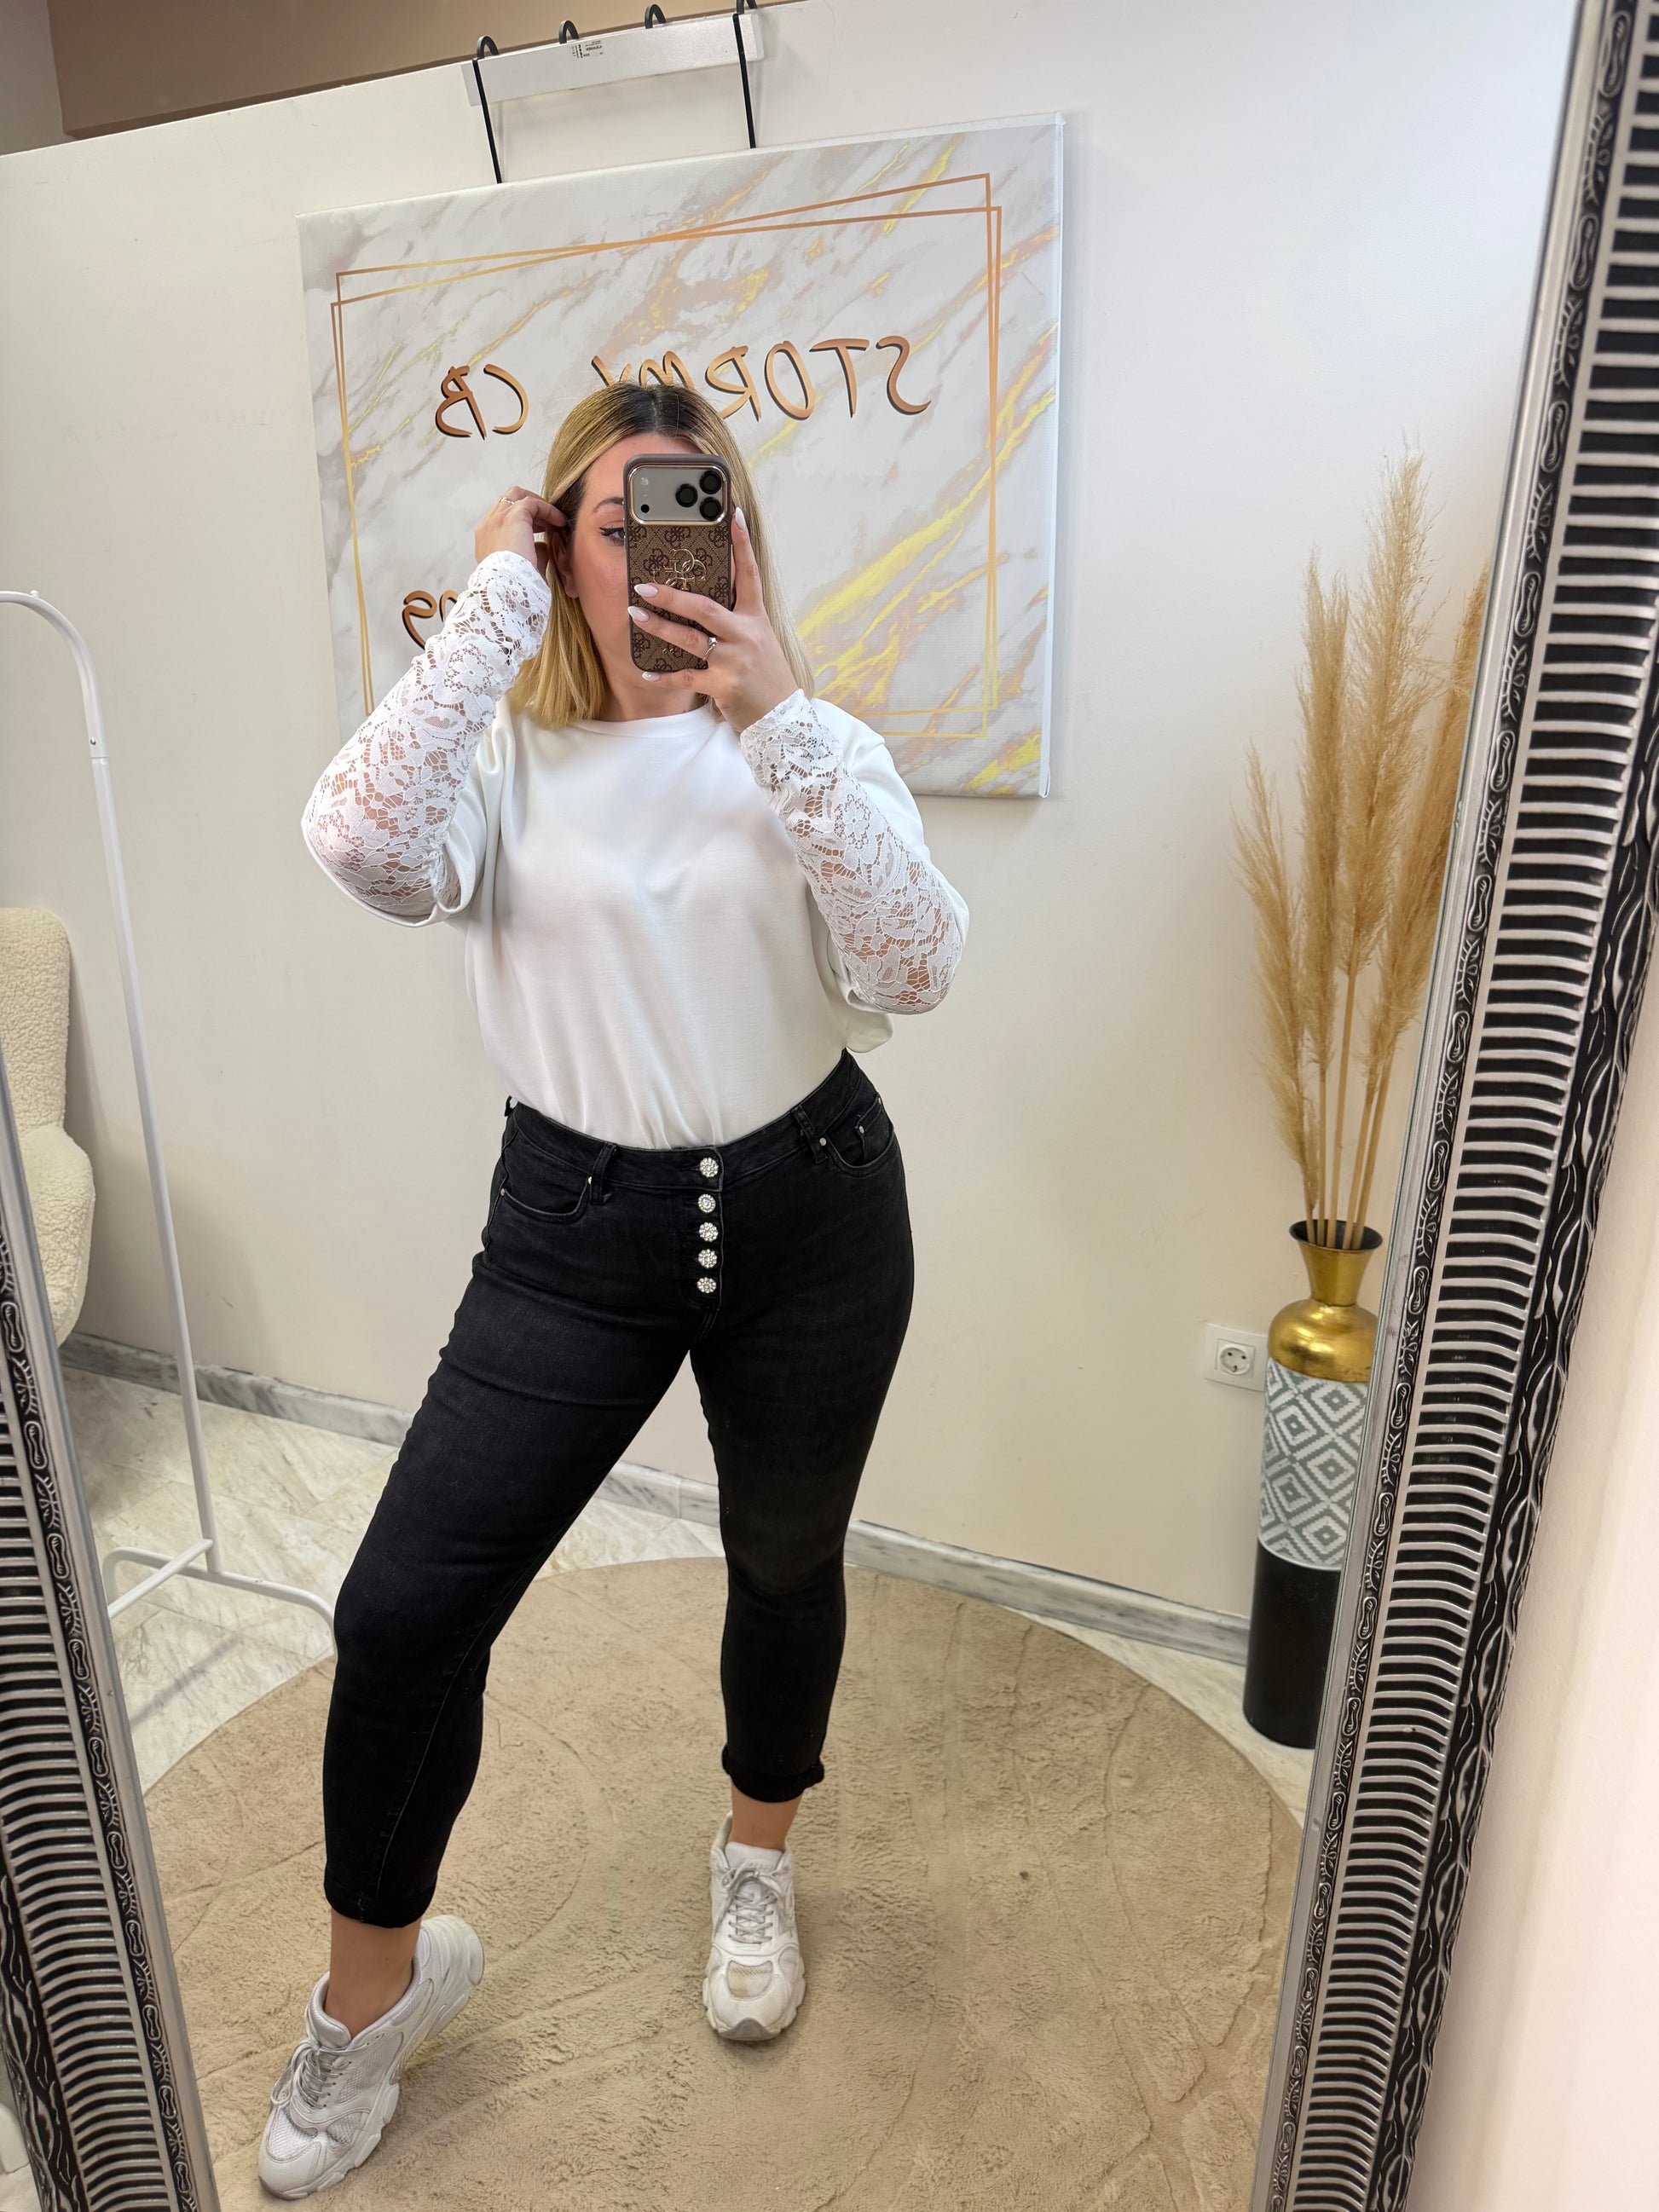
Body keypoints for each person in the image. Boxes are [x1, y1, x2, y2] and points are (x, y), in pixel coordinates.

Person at [260, 379, 968, 2197]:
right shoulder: (495, 765)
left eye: (699, 508)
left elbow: (914, 962)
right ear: (557, 545)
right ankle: (368, 2002)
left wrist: (777, 711)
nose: (667, 549)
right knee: (404, 1611)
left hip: (817, 1209)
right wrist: (492, 605)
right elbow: (356, 843)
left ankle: (755, 1860)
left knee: (785, 1562)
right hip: (571, 1233)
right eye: (617, 517)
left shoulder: (808, 745)